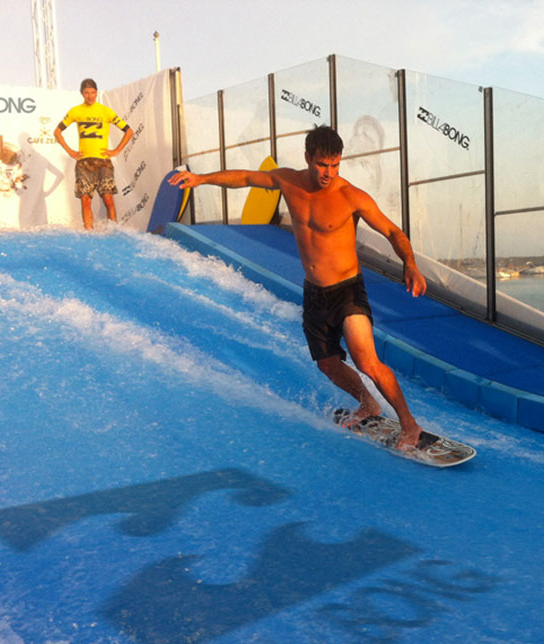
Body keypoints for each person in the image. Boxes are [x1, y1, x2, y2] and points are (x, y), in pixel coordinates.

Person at [169, 126, 427, 449]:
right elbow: (246, 177)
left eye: (335, 165)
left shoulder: (351, 197)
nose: (329, 173)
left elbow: (392, 232)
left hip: (348, 291)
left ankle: (410, 425)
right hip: (315, 293)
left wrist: (410, 264)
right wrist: (202, 179)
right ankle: (368, 403)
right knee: (328, 364)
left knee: (366, 361)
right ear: (308, 158)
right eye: (322, 164)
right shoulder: (289, 182)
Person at [54, 78, 134, 229]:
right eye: (86, 93)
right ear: (81, 93)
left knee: (108, 199)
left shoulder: (105, 111)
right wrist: (70, 151)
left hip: (103, 162)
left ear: (96, 92)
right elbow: (57, 132)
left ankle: (113, 231)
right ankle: (88, 232)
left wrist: (116, 150)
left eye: (92, 92)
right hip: (84, 163)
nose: (90, 96)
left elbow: (129, 131)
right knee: (85, 200)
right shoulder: (75, 111)